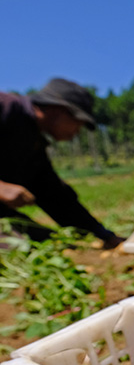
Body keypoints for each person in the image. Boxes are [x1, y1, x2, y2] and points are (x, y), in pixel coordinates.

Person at [0, 78, 125, 249]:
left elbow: (55, 196)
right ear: (60, 110)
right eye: (78, 124)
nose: (76, 132)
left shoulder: (32, 143)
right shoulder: (5, 107)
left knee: (51, 245)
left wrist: (104, 235)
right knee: (17, 248)